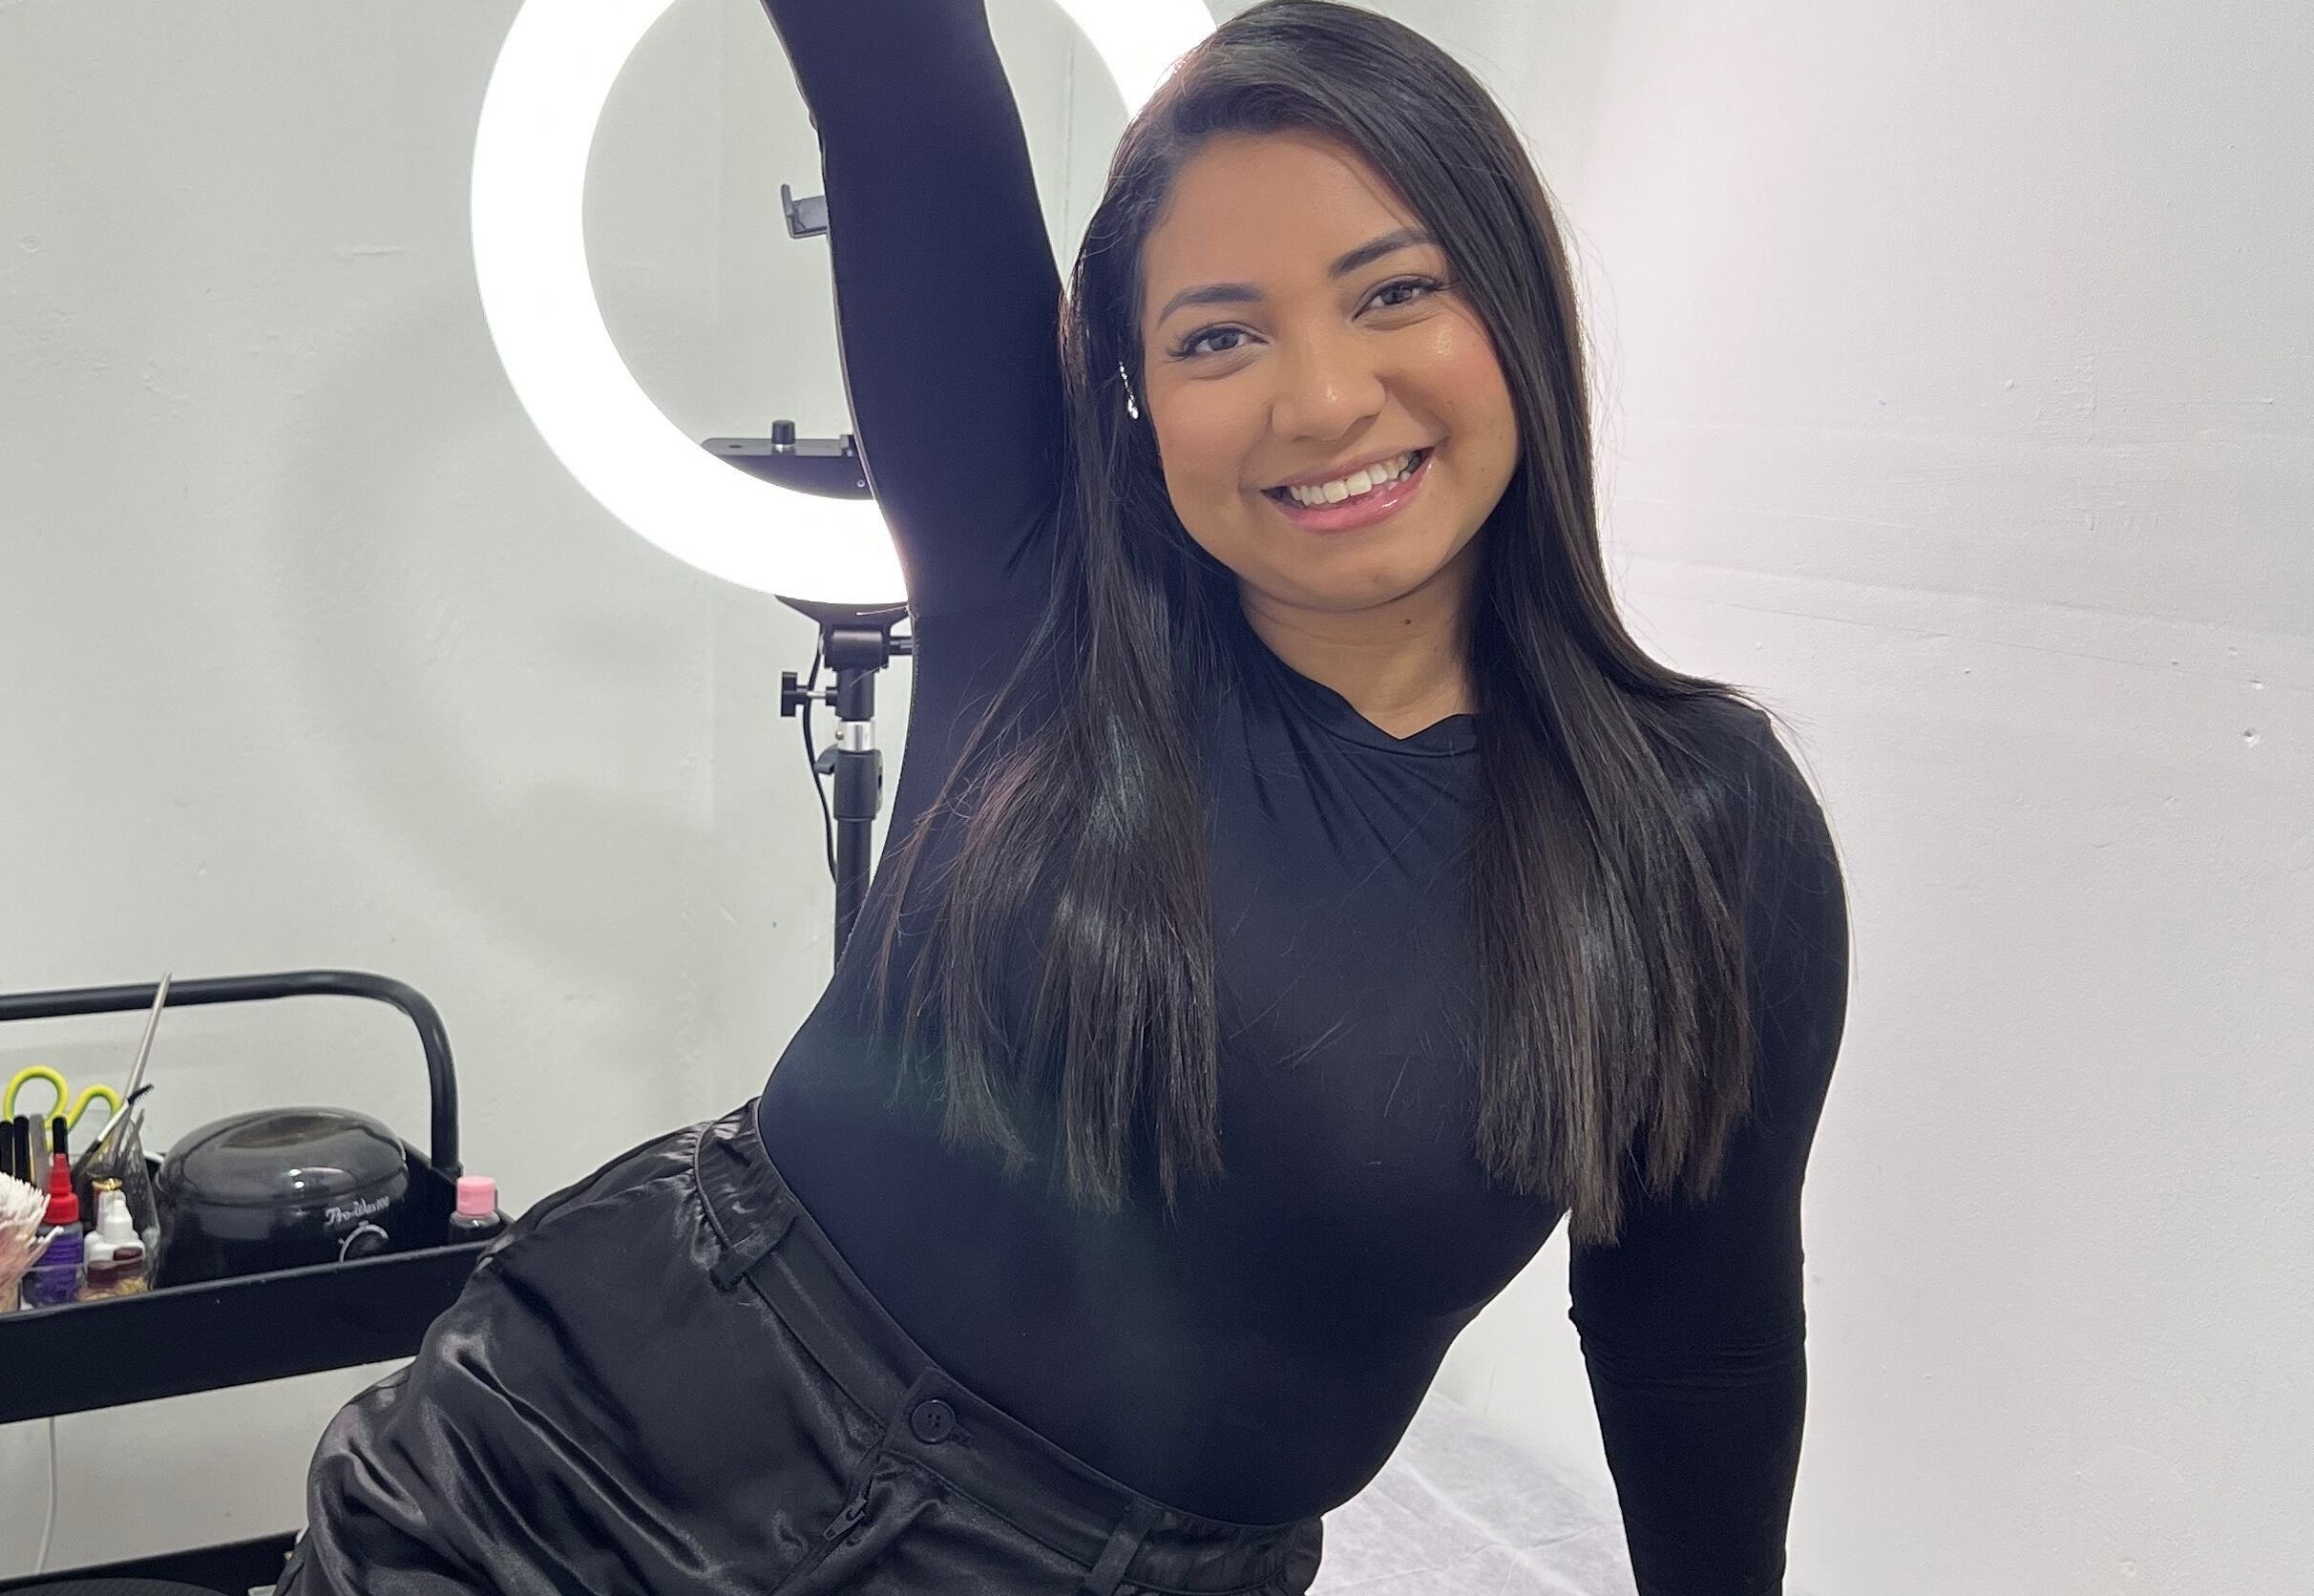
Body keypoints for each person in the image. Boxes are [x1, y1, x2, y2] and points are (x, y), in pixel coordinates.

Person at [280, 3, 1850, 1593]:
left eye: (1395, 292)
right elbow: (894, 74)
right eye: (1218, 336)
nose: (1321, 401)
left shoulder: (1702, 837)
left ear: (1515, 295)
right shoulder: (1041, 578)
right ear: (1134, 388)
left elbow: (1696, 1348)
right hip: (570, 1476)